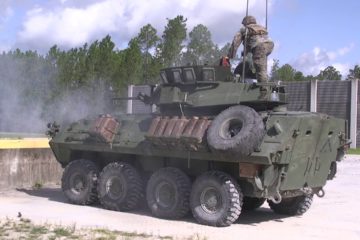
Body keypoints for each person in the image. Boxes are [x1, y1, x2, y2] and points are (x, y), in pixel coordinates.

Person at [227, 15, 274, 84]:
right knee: (261, 66)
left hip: (260, 46)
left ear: (246, 23)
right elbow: (251, 43)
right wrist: (245, 53)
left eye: (244, 24)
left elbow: (235, 43)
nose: (243, 25)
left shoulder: (244, 29)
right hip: (270, 45)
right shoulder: (261, 28)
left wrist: (230, 57)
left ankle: (263, 90)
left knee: (259, 67)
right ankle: (262, 81)